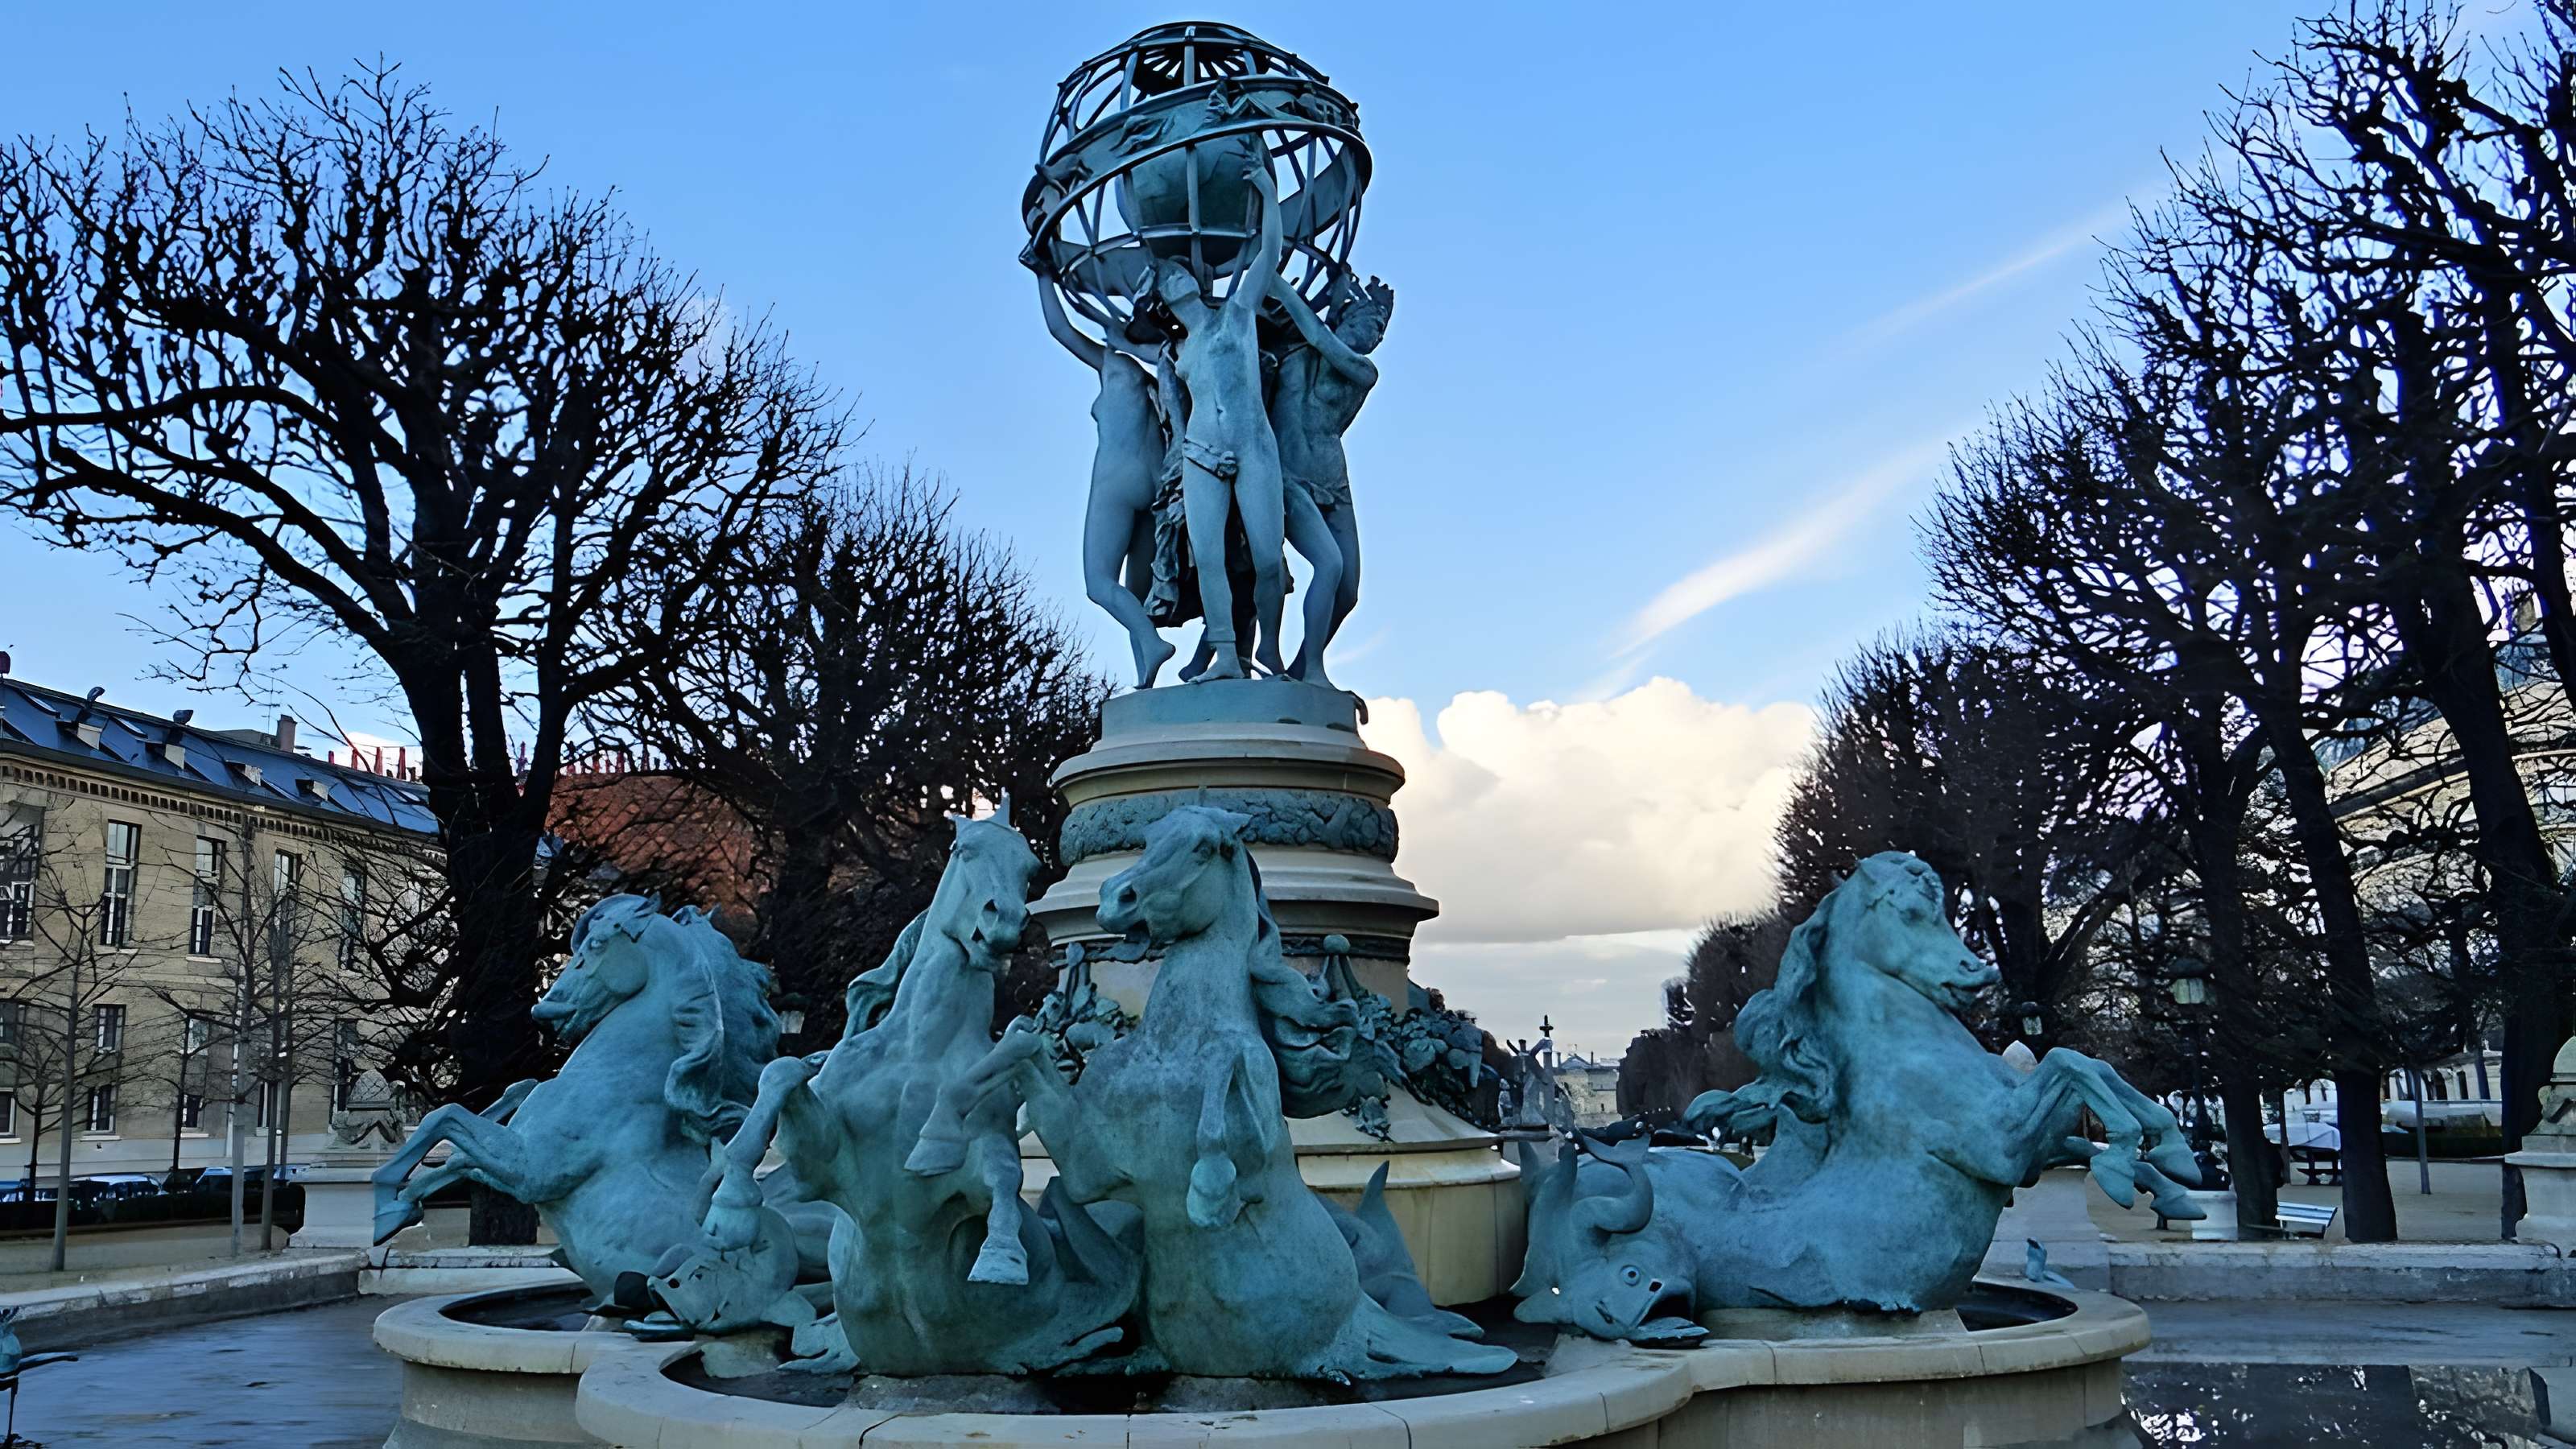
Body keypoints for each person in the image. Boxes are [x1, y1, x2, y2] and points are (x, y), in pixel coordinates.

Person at [1153, 159, 1287, 680]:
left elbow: (1269, 255)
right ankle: (1228, 658)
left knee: (1267, 561)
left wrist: (1268, 195)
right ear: (1164, 299)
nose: (1173, 278)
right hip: (1201, 454)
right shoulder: (1178, 355)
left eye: (1178, 271)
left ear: (1195, 278)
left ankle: (1270, 649)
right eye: (1165, 280)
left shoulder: (1237, 312)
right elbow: (1176, 413)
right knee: (1209, 559)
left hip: (1253, 444)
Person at [1038, 268, 1175, 687]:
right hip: (1156, 483)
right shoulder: (1169, 368)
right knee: (1136, 596)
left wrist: (1044, 275)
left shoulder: (1115, 365)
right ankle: (1146, 680)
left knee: (1099, 583)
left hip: (1117, 477)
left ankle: (1151, 646)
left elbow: (1061, 329)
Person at [1266, 272, 1393, 689]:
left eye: (1378, 330)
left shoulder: (1362, 370)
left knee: (1349, 590)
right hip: (1287, 478)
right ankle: (1313, 670)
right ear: (1343, 318)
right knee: (1329, 565)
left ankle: (1304, 669)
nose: (1373, 336)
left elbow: (1320, 337)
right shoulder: (1292, 352)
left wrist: (1281, 286)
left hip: (1334, 481)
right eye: (1367, 323)